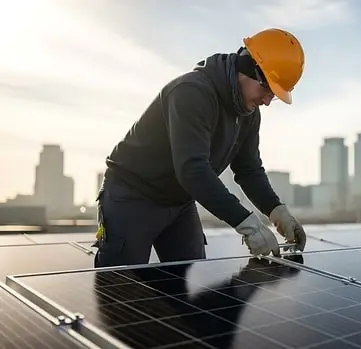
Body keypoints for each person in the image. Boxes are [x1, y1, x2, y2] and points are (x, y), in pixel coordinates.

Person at [92, 28, 307, 268]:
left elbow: (249, 170)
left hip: (178, 200)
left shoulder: (248, 113)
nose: (267, 101)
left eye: (274, 95)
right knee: (122, 286)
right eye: (266, 89)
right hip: (132, 197)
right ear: (248, 68)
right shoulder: (191, 93)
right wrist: (248, 224)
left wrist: (276, 211)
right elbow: (193, 170)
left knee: (191, 280)